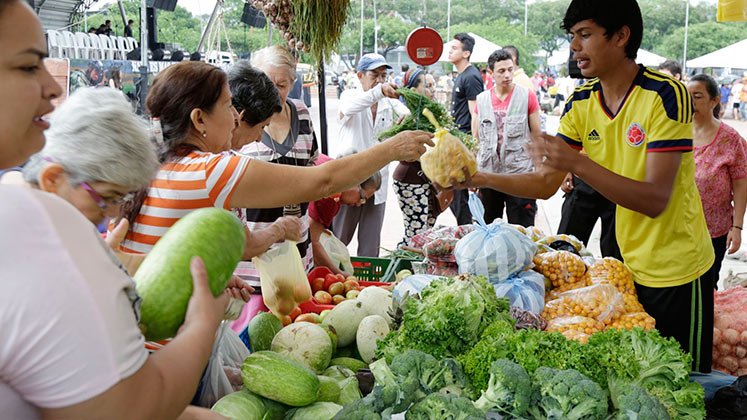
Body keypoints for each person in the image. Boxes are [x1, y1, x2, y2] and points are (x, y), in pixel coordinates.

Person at [453, 0, 715, 372]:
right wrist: (478, 178)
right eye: (572, 36)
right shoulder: (581, 100)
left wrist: (577, 162)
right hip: (626, 267)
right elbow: (546, 185)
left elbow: (655, 199)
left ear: (622, 36)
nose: (575, 47)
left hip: (679, 268)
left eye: (586, 35)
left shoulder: (666, 95)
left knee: (684, 379)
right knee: (643, 378)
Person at [0, 1, 231, 418]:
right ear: (52, 180)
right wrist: (201, 324)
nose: (53, 88)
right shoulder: (35, 223)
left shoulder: (23, 209)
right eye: (28, 66)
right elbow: (128, 409)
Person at [120, 60, 432, 256]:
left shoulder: (161, 164)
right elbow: (323, 180)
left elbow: (236, 246)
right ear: (199, 119)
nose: (235, 117)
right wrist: (392, 149)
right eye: (229, 106)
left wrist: (278, 231)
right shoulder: (208, 171)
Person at [243, 46, 319, 270]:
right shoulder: (240, 121)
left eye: (282, 85)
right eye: (267, 84)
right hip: (255, 251)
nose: (273, 92)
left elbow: (313, 162)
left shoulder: (302, 113)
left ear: (293, 84)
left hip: (298, 242)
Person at [332, 53, 411, 257]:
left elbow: (406, 114)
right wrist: (377, 92)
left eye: (383, 76)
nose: (379, 80)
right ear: (359, 75)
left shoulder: (388, 103)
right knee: (338, 240)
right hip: (350, 182)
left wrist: (406, 118)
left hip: (376, 185)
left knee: (370, 246)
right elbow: (349, 108)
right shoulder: (349, 96)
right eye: (374, 74)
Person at [688, 74, 747, 289]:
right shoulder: (675, 132)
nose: (690, 102)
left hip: (714, 229)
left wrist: (737, 227)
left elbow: (741, 184)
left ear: (714, 101)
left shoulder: (729, 138)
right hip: (679, 225)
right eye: (687, 96)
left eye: (697, 96)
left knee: (706, 285)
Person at [472, 49, 541, 227]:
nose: (507, 75)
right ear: (491, 73)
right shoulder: (481, 100)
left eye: (510, 69)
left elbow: (537, 136)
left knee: (522, 231)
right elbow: (476, 140)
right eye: (501, 71)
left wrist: (539, 172)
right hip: (489, 174)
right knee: (487, 229)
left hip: (520, 174)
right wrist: (473, 173)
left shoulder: (527, 96)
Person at [392, 68, 442, 245]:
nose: (433, 90)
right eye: (427, 86)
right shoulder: (410, 119)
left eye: (433, 85)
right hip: (410, 180)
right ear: (413, 91)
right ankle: (407, 266)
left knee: (426, 229)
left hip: (425, 180)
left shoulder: (431, 115)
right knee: (416, 234)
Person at [309, 154, 381, 275]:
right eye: (361, 198)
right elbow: (313, 241)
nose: (359, 204)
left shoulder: (331, 166)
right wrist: (339, 274)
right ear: (354, 181)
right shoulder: (329, 196)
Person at [447, 33, 482, 225]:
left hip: (465, 141)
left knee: (461, 195)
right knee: (454, 192)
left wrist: (474, 146)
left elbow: (476, 113)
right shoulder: (461, 76)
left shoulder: (471, 77)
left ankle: (467, 232)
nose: (450, 51)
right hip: (456, 141)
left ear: (466, 53)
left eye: (455, 48)